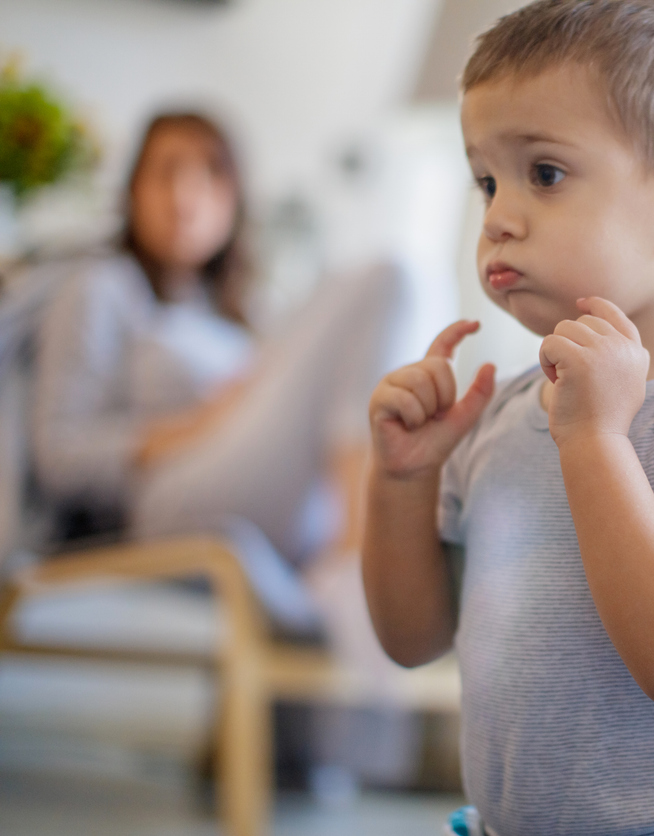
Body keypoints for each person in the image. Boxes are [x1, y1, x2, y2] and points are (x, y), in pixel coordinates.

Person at [362, 1, 654, 833]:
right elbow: (411, 637)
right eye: (486, 180)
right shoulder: (503, 417)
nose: (498, 214)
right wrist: (404, 477)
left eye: (544, 172)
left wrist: (596, 439)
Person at [32, 111, 406, 637]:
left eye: (210, 174)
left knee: (396, 289)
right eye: (165, 172)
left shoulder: (246, 313)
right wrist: (202, 423)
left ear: (235, 201)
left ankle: (350, 563)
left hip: (269, 500)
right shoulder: (103, 288)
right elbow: (60, 457)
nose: (185, 195)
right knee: (387, 279)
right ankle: (359, 565)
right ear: (132, 190)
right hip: (165, 503)